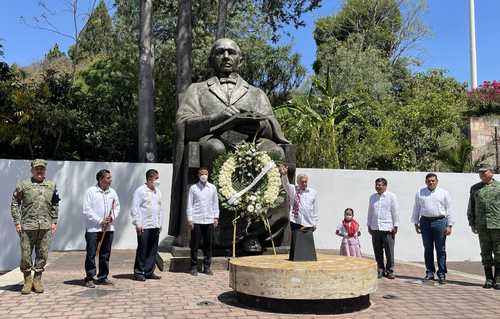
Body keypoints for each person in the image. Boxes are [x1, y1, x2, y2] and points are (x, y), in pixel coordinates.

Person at [169, 38, 289, 246]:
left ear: (239, 60)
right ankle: (220, 232)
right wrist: (217, 119)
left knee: (276, 152)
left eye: (231, 52)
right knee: (214, 148)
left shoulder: (255, 93)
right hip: (214, 140)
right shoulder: (197, 90)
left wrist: (257, 125)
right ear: (211, 59)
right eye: (220, 52)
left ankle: (259, 230)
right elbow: (183, 123)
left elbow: (272, 125)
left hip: (252, 142)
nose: (226, 56)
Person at [10, 159, 60, 294]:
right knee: (26, 255)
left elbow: (55, 203)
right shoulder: (23, 185)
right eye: (37, 168)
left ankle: (37, 280)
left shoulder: (51, 185)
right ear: (32, 170)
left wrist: (54, 221)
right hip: (27, 226)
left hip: (45, 226)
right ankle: (27, 280)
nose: (39, 171)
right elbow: (15, 203)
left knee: (42, 254)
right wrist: (17, 222)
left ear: (45, 170)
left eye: (42, 169)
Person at [411, 173, 454, 284]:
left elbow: (449, 209)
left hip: (440, 222)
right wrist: (416, 223)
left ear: (437, 181)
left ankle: (441, 273)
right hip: (425, 222)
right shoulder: (420, 192)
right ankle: (430, 272)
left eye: (433, 180)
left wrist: (449, 225)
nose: (431, 182)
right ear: (426, 182)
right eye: (429, 181)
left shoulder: (444, 193)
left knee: (441, 249)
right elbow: (416, 208)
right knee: (428, 248)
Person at [82, 169, 120, 288]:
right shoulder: (91, 192)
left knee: (105, 254)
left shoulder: (112, 192)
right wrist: (100, 220)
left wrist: (111, 218)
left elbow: (117, 207)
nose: (110, 180)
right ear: (100, 179)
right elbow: (87, 210)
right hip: (93, 229)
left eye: (110, 178)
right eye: (108, 178)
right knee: (92, 253)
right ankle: (89, 277)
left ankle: (103, 276)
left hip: (108, 228)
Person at [467, 163, 500, 289]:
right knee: (485, 252)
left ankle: (498, 279)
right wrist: (472, 222)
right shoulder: (475, 188)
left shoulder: (498, 187)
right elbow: (471, 207)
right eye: (480, 172)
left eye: (484, 172)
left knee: (498, 252)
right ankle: (488, 279)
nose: (482, 174)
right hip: (482, 225)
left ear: (491, 172)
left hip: (497, 224)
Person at [279, 165, 319, 260]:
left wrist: (315, 223)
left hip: (309, 222)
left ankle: (308, 258)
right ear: (298, 182)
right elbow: (286, 185)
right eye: (302, 182)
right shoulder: (294, 190)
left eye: (305, 182)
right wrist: (284, 175)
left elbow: (315, 209)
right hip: (296, 220)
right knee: (297, 242)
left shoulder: (313, 192)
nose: (304, 184)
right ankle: (296, 258)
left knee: (307, 243)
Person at [131, 169, 164, 281]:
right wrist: (138, 223)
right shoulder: (140, 191)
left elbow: (160, 209)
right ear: (150, 179)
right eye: (156, 178)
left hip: (155, 225)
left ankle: (149, 271)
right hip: (144, 225)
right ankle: (139, 272)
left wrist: (160, 223)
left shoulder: (158, 192)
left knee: (152, 250)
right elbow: (135, 208)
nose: (158, 181)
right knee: (142, 249)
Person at [187, 167, 219, 276]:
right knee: (195, 245)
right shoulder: (193, 188)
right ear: (198, 175)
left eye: (206, 173)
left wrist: (216, 217)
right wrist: (190, 219)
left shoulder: (212, 188)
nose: (204, 176)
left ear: (208, 175)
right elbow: (189, 205)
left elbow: (215, 203)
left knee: (208, 245)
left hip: (209, 220)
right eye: (202, 174)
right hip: (196, 220)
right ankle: (194, 267)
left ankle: (207, 267)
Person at [367, 177, 399, 279]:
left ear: (385, 186)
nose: (378, 187)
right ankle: (380, 269)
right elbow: (370, 212)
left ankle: (390, 270)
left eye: (380, 185)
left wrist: (396, 225)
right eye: (377, 185)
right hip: (375, 227)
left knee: (389, 251)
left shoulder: (391, 197)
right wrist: (369, 224)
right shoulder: (372, 197)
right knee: (377, 250)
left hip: (388, 228)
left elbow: (395, 211)